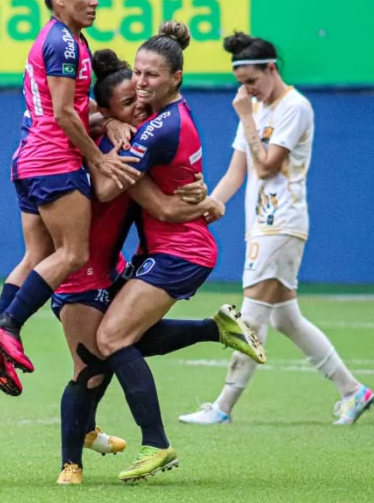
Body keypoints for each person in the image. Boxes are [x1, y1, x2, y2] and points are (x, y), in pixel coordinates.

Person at [49, 49, 260, 484]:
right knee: (117, 344)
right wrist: (107, 127)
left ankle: (155, 444)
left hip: (178, 252)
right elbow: (71, 110)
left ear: (175, 78)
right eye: (135, 81)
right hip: (155, 253)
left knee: (107, 341)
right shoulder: (140, 122)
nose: (141, 91)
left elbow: (117, 191)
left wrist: (203, 202)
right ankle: (213, 329)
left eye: (149, 79)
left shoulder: (158, 125)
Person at [178, 32, 374, 426]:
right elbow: (239, 170)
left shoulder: (294, 107)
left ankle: (222, 407)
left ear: (272, 69)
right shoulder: (254, 107)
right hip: (261, 225)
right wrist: (209, 207)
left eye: (252, 81)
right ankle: (354, 391)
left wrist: (247, 117)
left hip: (282, 223)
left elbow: (266, 164)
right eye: (241, 83)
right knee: (285, 319)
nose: (247, 90)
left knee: (250, 319)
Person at [0, 0, 139, 390]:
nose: (94, 1)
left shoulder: (70, 41)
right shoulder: (64, 44)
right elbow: (65, 115)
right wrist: (99, 159)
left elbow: (69, 110)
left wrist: (105, 120)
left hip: (30, 160)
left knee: (36, 257)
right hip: (54, 161)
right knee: (73, 254)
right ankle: (7, 325)